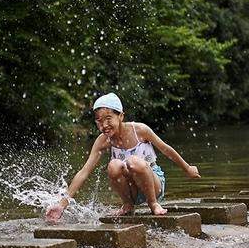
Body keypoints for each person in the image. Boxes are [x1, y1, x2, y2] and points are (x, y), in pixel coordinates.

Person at [46, 92, 201, 223]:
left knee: (134, 162)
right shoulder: (102, 141)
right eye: (99, 121)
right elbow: (84, 172)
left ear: (120, 116)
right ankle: (127, 204)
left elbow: (166, 149)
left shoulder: (140, 130)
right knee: (113, 165)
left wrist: (187, 168)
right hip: (131, 189)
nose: (104, 125)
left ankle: (153, 204)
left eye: (108, 118)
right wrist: (61, 204)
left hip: (153, 184)